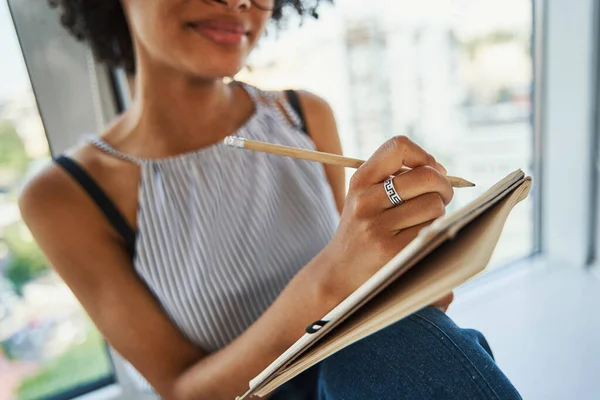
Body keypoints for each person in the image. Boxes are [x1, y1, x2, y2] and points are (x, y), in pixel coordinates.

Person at [19, 0, 521, 399]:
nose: (239, 1)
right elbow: (182, 391)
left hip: (369, 376)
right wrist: (331, 283)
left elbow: (361, 290)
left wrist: (401, 281)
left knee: (401, 340)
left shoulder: (304, 115)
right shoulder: (63, 197)